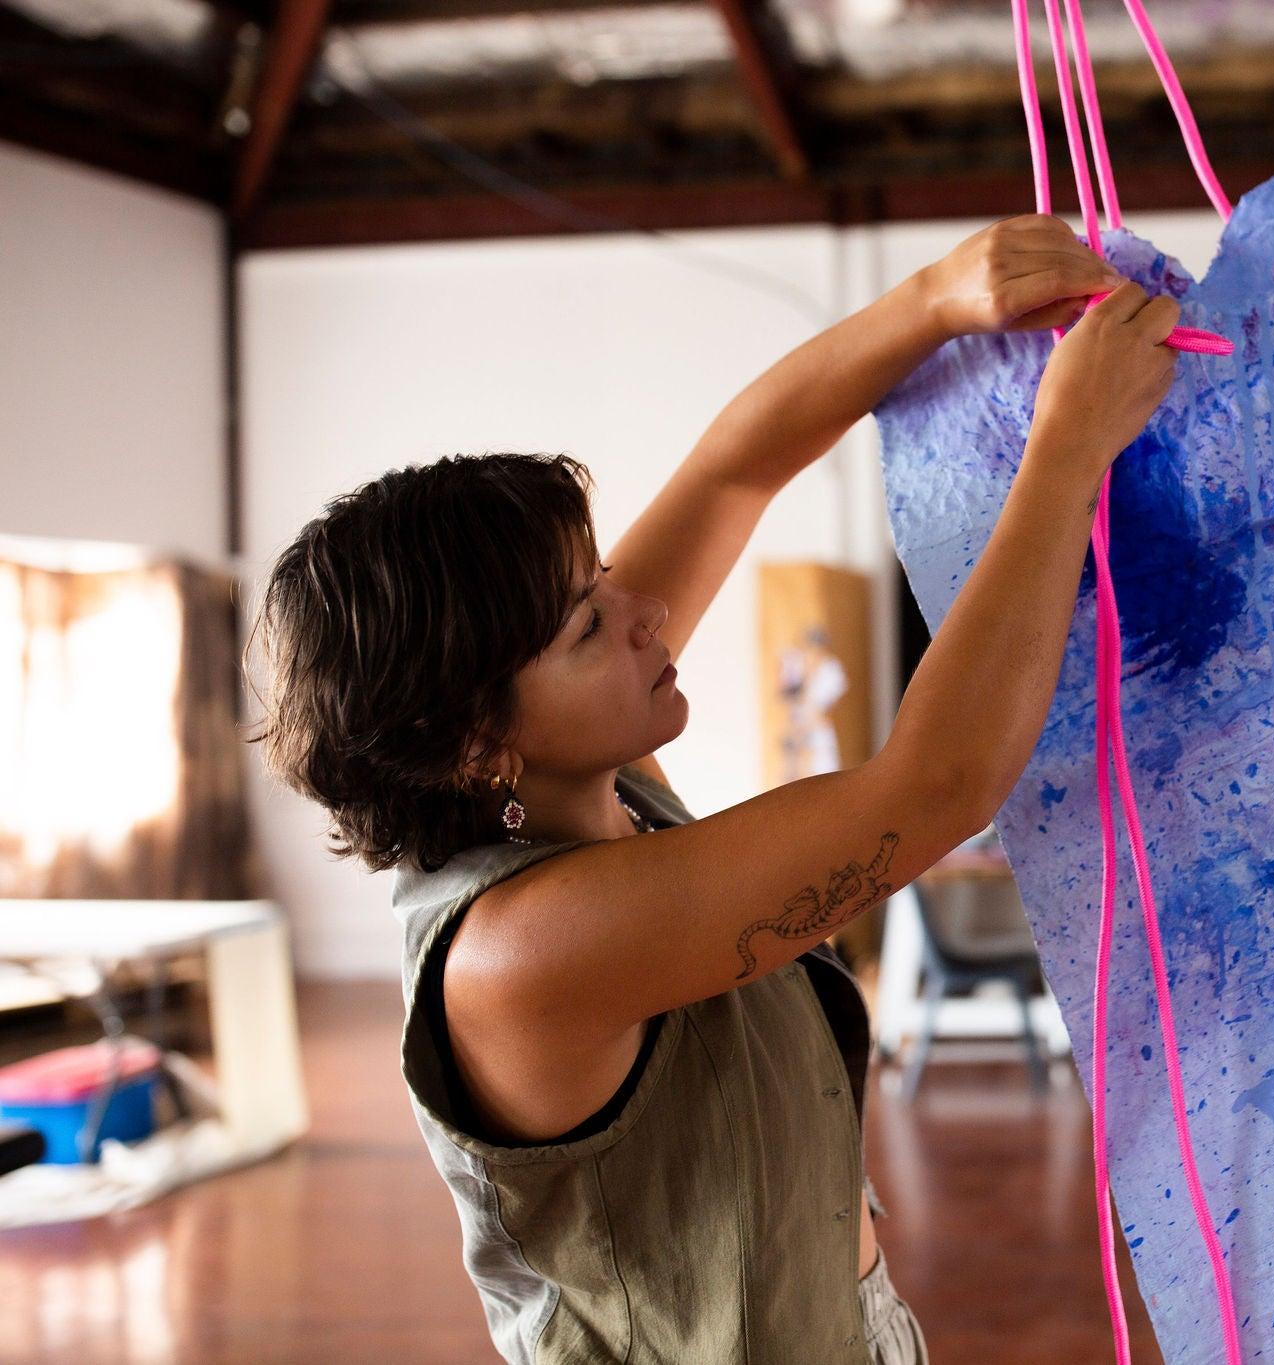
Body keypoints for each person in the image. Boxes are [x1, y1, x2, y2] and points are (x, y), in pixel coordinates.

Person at [247, 213, 1182, 1365]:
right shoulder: (522, 951)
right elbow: (935, 785)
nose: (642, 610)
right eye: (591, 620)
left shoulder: (580, 780)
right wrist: (1064, 454)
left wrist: (936, 297)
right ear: (477, 742)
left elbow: (735, 466)